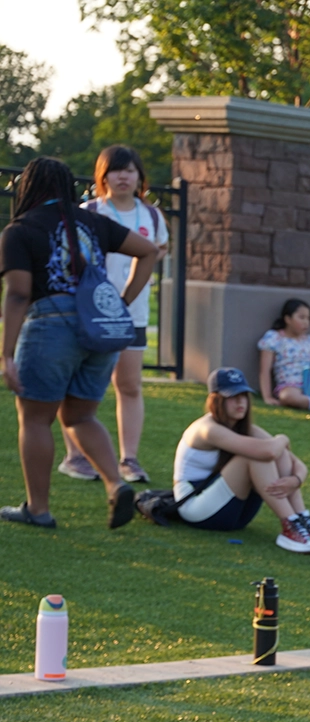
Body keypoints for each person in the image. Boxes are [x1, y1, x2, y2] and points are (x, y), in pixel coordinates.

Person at [1, 156, 160, 530]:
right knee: (80, 415)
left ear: (28, 187)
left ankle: (37, 510)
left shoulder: (21, 229)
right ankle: (115, 483)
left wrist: (6, 354)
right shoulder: (92, 220)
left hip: (50, 326)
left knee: (36, 418)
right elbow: (149, 251)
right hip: (100, 328)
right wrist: (120, 303)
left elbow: (19, 294)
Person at [57, 145, 168, 485]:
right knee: (79, 384)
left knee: (129, 385)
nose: (123, 176)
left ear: (139, 177)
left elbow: (158, 251)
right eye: (115, 170)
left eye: (129, 170)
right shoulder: (88, 211)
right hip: (89, 313)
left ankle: (129, 460)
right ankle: (75, 457)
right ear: (102, 176)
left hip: (132, 314)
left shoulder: (151, 216)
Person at [171, 367, 310, 552]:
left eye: (244, 395)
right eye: (232, 397)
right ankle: (290, 525)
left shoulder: (244, 427)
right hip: (196, 508)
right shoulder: (207, 429)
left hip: (233, 512)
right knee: (256, 456)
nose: (240, 402)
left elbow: (295, 462)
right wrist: (283, 438)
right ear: (216, 400)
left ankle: (301, 518)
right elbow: (267, 453)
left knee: (277, 452)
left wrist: (295, 480)